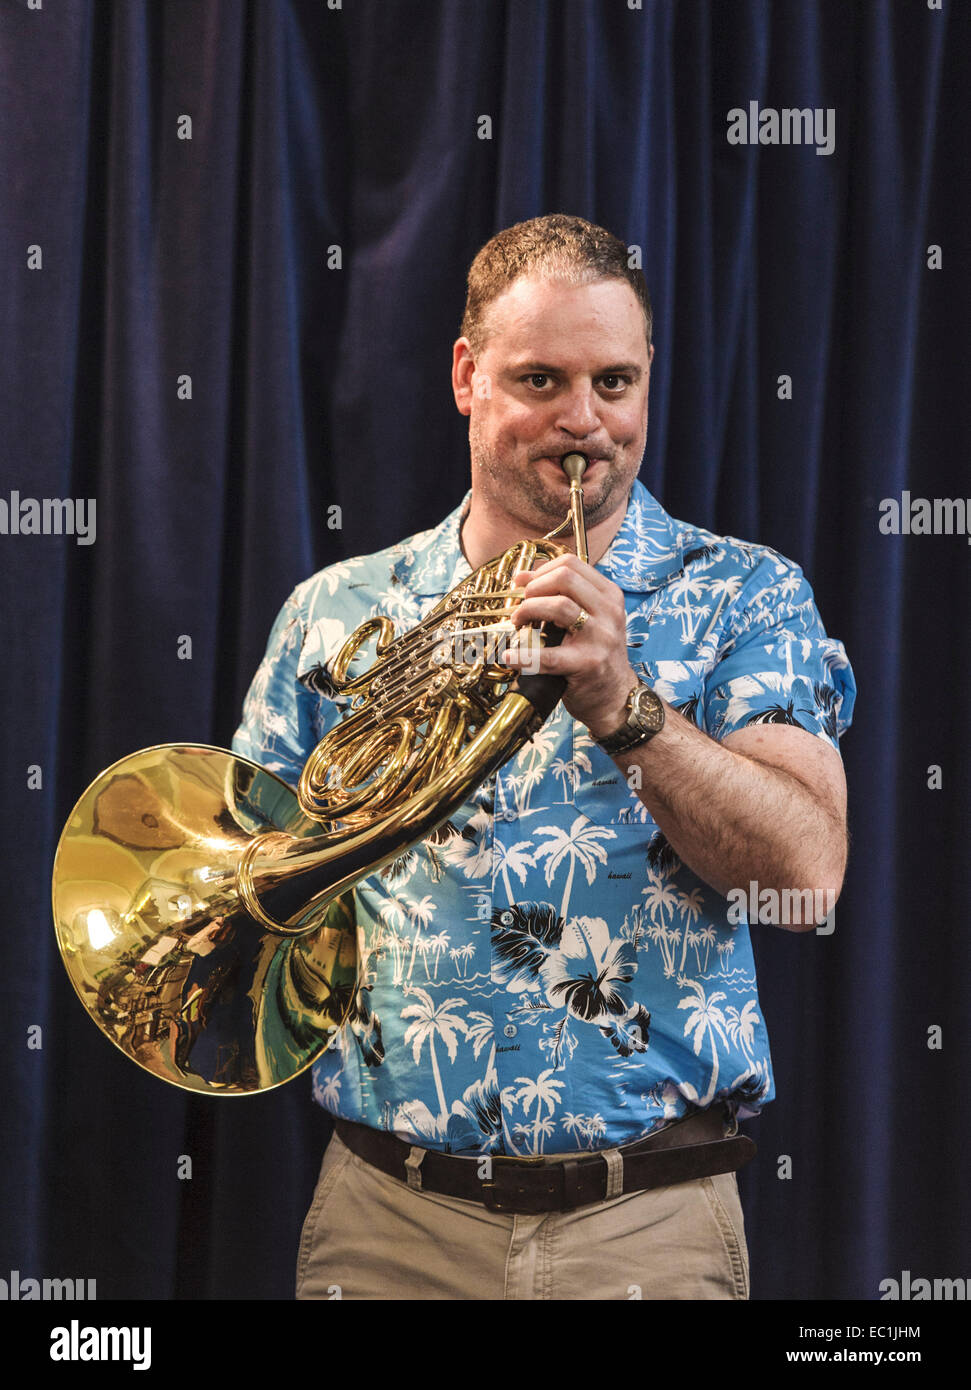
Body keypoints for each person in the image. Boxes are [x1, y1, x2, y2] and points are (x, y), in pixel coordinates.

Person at [232, 214, 855, 1300]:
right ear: (468, 377)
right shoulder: (335, 612)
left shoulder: (745, 594)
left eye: (613, 382)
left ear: (648, 377)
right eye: (539, 380)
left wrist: (625, 707)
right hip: (388, 1222)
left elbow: (803, 881)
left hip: (645, 1225)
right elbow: (247, 889)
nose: (583, 422)